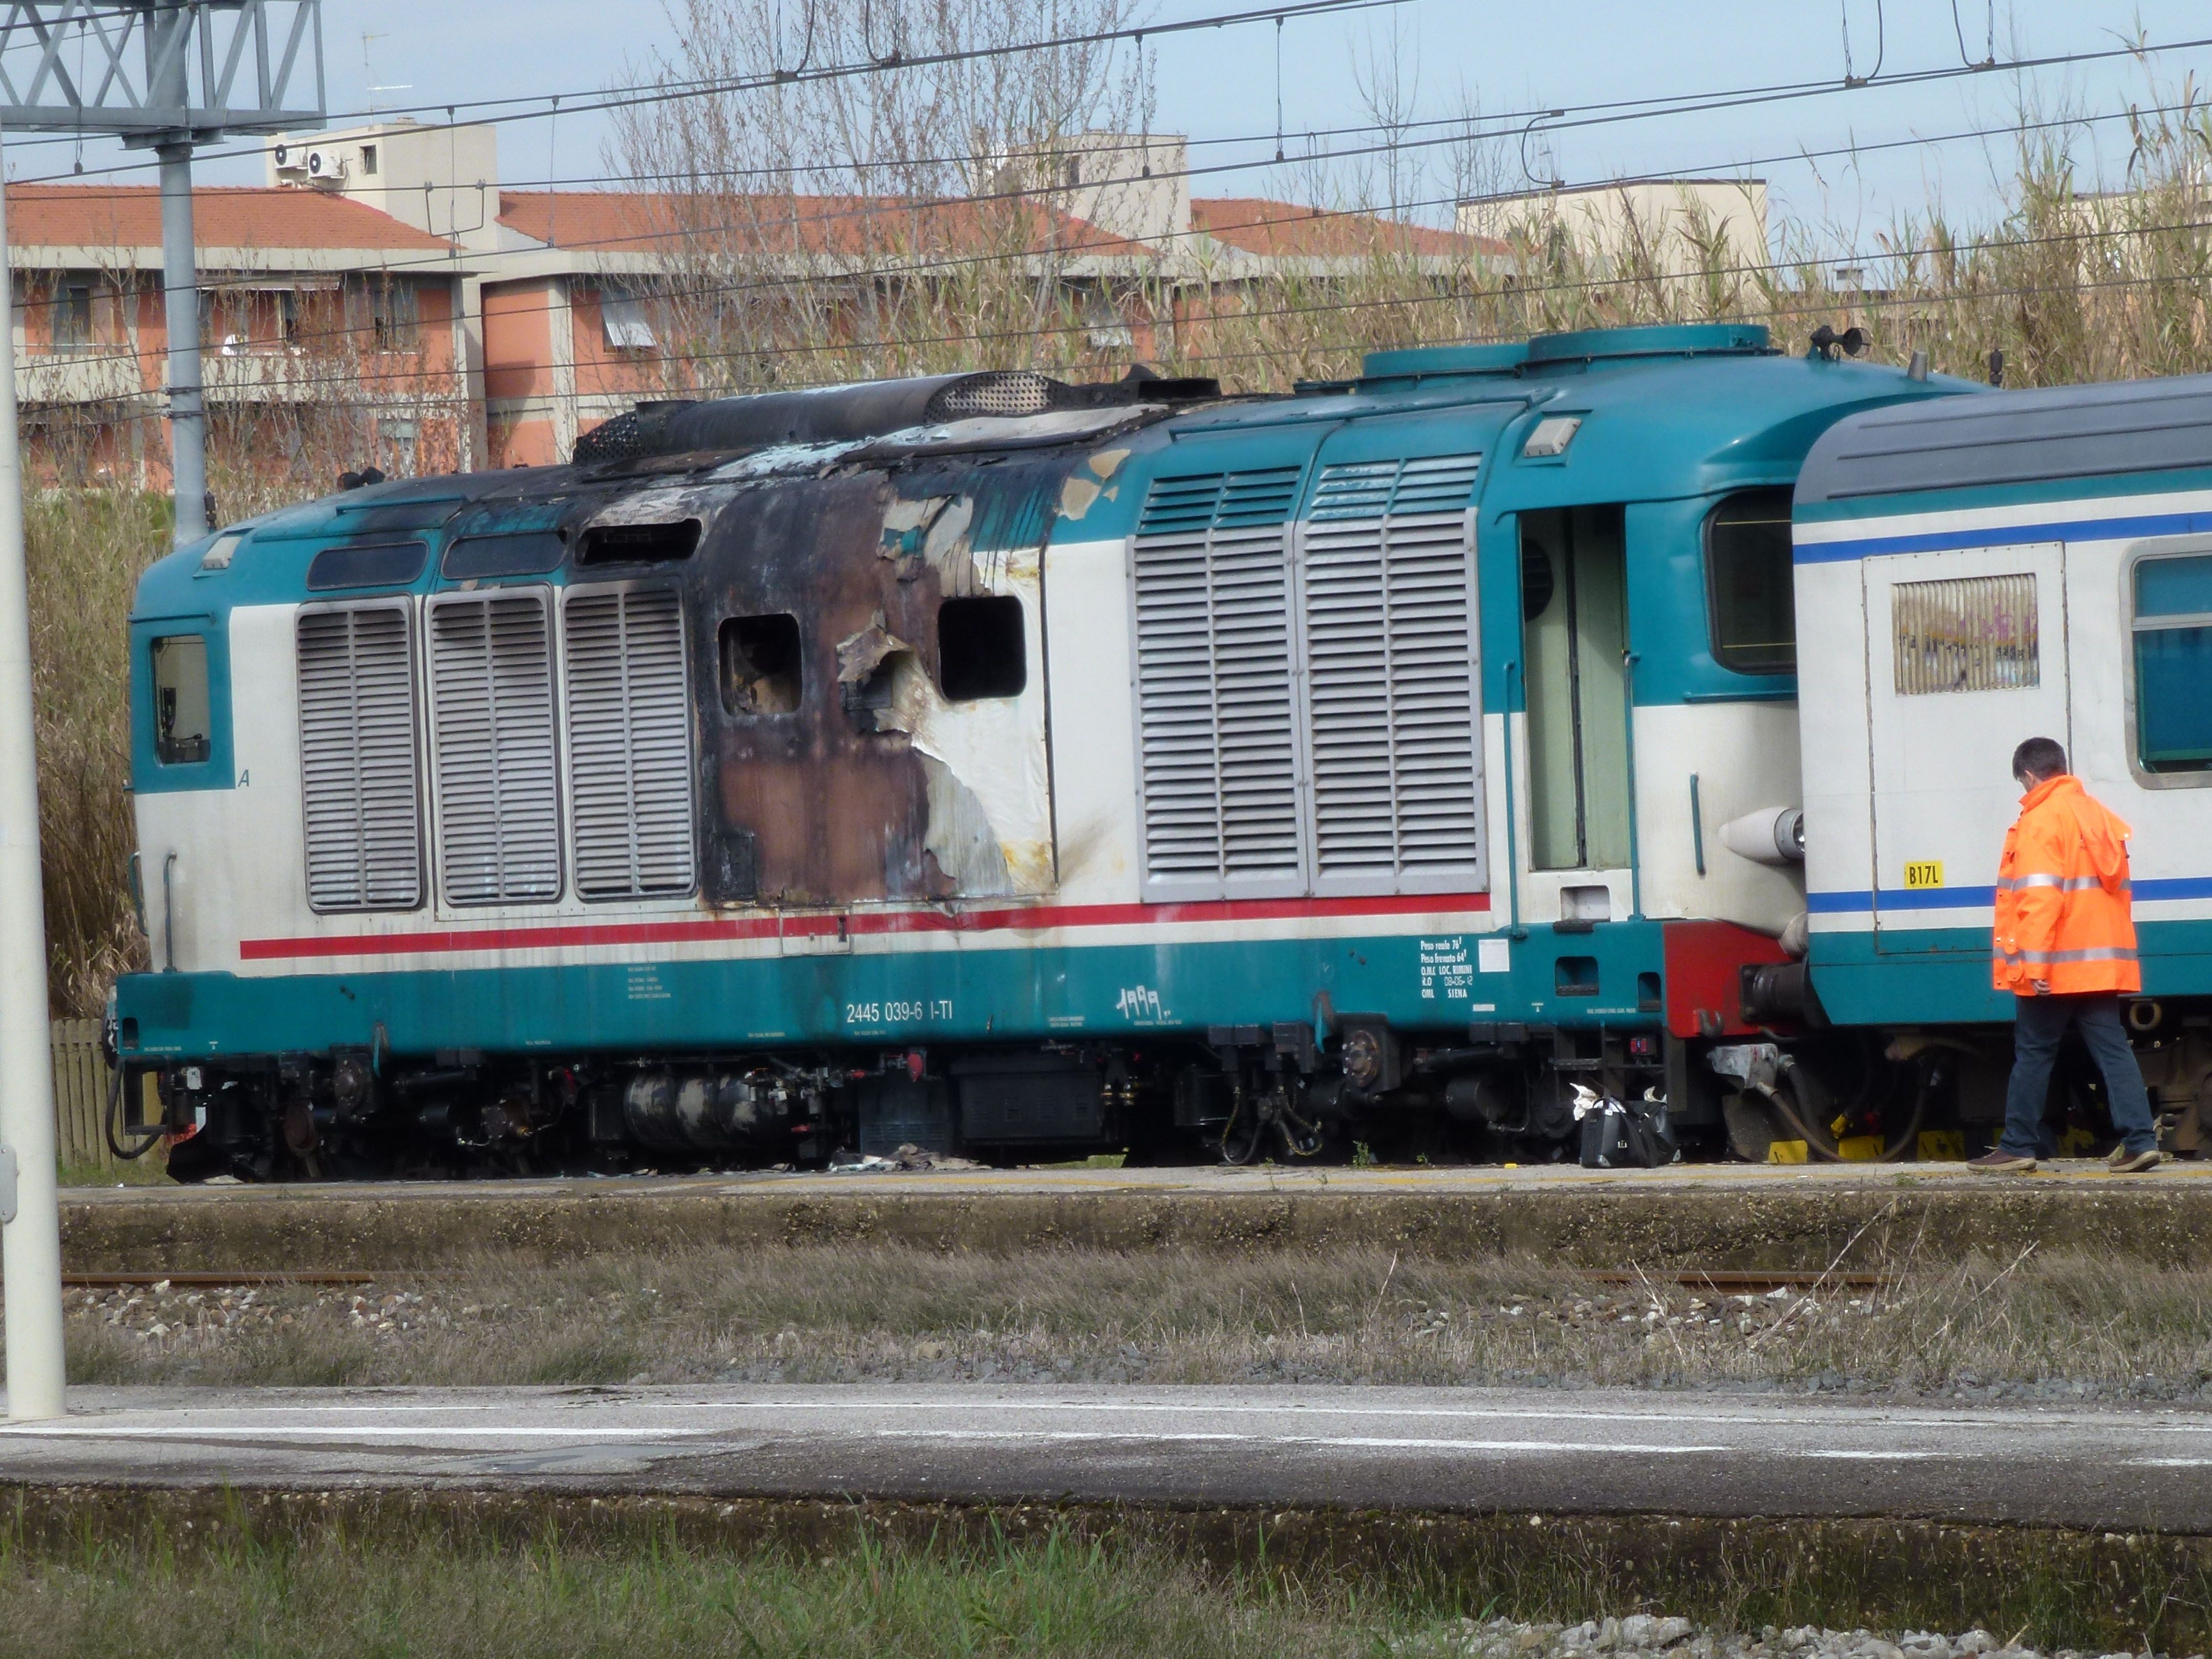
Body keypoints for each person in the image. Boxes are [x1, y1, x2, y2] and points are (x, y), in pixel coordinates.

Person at [1970, 737, 2160, 1173]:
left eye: (2022, 782)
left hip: (2055, 967)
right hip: (2100, 963)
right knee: (2113, 1049)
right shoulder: (2098, 816)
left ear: (2031, 775)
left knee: (2035, 1051)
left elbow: (2040, 899)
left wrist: (2034, 965)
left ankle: (2018, 1145)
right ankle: (2140, 1140)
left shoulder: (2041, 820)